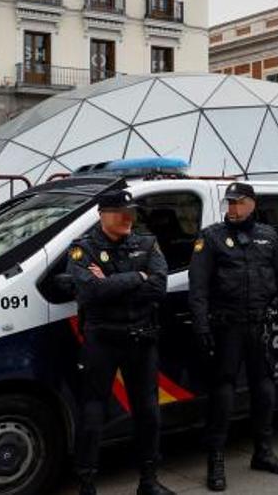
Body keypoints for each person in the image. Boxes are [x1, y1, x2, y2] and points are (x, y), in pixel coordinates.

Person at [66, 184, 175, 495]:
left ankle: (149, 481)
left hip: (141, 339)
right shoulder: (83, 248)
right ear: (102, 215)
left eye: (131, 213)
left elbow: (158, 287)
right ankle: (87, 484)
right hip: (102, 341)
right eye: (120, 212)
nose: (128, 218)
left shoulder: (147, 243)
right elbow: (89, 291)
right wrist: (136, 277)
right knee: (92, 412)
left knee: (149, 412)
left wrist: (112, 282)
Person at [189, 182, 278, 491]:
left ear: (252, 203)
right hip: (227, 328)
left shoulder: (268, 236)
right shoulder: (211, 238)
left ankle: (263, 452)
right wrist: (201, 327)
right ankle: (216, 460)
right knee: (223, 394)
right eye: (229, 203)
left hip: (259, 326)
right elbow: (198, 289)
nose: (232, 209)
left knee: (265, 391)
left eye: (238, 203)